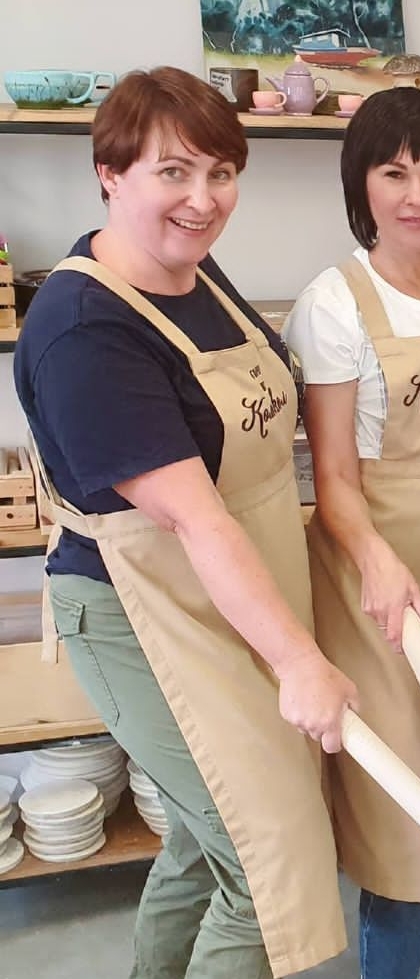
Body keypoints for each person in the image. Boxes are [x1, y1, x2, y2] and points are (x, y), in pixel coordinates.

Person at [13, 67, 357, 979]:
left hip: (234, 591)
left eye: (221, 172)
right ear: (109, 173)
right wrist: (300, 660)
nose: (203, 200)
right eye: (173, 172)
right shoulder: (84, 328)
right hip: (139, 611)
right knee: (257, 848)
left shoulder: (194, 274)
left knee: (207, 837)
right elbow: (198, 521)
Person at [283, 87, 420, 979]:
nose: (416, 196)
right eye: (394, 173)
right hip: (376, 581)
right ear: (361, 184)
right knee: (400, 809)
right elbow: (335, 479)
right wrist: (378, 560)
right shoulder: (334, 303)